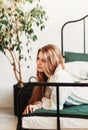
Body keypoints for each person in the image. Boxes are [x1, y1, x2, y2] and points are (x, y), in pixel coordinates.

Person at [23, 44, 73, 114]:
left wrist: (43, 100)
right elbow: (48, 99)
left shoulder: (58, 78)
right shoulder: (51, 77)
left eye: (43, 60)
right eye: (38, 58)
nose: (38, 63)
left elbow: (55, 105)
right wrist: (36, 106)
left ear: (52, 61)